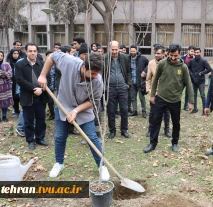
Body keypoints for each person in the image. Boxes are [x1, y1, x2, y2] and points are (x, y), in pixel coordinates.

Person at [38, 51, 110, 180]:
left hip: (83, 109)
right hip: (63, 104)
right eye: (92, 73)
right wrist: (43, 75)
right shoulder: (69, 62)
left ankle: (102, 166)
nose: (95, 76)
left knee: (92, 137)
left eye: (97, 73)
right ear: (83, 67)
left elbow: (93, 102)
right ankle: (59, 163)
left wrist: (76, 111)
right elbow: (52, 56)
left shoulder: (97, 81)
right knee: (60, 136)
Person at [143, 43, 194, 153]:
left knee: (176, 123)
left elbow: (189, 83)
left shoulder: (183, 67)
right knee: (156, 121)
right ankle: (152, 143)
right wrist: (152, 95)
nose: (173, 58)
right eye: (171, 55)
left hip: (175, 99)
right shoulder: (162, 63)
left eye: (176, 56)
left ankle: (174, 143)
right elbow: (155, 79)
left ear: (179, 54)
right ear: (168, 53)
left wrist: (191, 101)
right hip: (161, 97)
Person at [15, 43, 50, 150]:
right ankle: (30, 140)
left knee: (41, 119)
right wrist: (34, 89)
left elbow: (47, 77)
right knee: (28, 121)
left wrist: (42, 89)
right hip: (28, 97)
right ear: (26, 52)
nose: (32, 53)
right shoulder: (20, 64)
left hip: (41, 96)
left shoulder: (41, 64)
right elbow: (20, 80)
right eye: (30, 51)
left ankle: (40, 138)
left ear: (37, 52)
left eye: (34, 51)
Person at [102, 41, 131, 139]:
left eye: (116, 49)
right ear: (109, 49)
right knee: (111, 110)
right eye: (112, 49)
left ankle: (124, 130)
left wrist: (128, 83)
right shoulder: (104, 58)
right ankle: (112, 131)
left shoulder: (125, 58)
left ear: (119, 49)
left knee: (124, 109)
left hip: (123, 87)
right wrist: (104, 86)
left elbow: (129, 71)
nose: (114, 52)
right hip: (110, 88)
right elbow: (101, 73)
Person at [145, 45, 172, 138]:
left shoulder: (169, 63)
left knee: (167, 113)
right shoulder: (151, 63)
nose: (156, 55)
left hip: (166, 93)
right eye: (155, 53)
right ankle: (150, 129)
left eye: (158, 53)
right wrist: (149, 91)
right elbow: (148, 78)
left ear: (164, 53)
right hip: (155, 93)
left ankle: (167, 130)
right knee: (153, 113)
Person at [187, 47, 212, 115]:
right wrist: (191, 73)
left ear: (200, 52)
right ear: (194, 53)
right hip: (193, 81)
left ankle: (204, 110)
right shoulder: (191, 61)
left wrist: (202, 73)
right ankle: (195, 109)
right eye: (195, 52)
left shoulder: (203, 60)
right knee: (194, 95)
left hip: (201, 81)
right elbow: (187, 68)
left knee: (202, 95)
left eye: (198, 52)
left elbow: (209, 69)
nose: (196, 54)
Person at [128, 45, 149, 118]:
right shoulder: (128, 59)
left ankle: (144, 112)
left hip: (140, 81)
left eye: (134, 51)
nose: (132, 52)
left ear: (136, 51)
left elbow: (148, 64)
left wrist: (145, 71)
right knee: (133, 98)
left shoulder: (142, 58)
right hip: (132, 82)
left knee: (141, 98)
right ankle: (134, 111)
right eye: (131, 51)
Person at [0, 51, 14, 122]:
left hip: (6, 86)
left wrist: (2, 74)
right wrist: (4, 73)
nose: (0, 57)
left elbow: (10, 73)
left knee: (5, 101)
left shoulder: (6, 64)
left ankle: (4, 116)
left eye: (1, 55)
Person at [8, 48, 21, 118]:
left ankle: (23, 111)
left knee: (21, 97)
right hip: (12, 83)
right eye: (14, 54)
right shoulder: (9, 63)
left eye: (17, 54)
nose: (16, 55)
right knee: (14, 97)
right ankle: (16, 111)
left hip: (19, 82)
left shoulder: (21, 62)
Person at [180, 46, 195, 111]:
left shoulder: (194, 59)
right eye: (191, 51)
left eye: (193, 51)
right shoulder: (182, 58)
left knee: (187, 93)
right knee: (179, 92)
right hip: (182, 78)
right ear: (188, 51)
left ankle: (185, 106)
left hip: (190, 78)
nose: (193, 53)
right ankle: (177, 104)